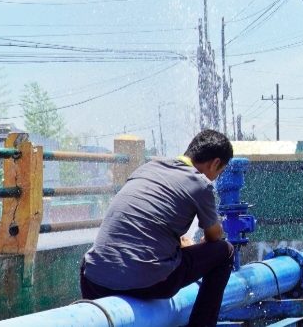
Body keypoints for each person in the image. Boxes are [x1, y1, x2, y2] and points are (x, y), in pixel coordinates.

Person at [81, 129, 234, 327]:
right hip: (149, 283)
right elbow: (214, 236)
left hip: (95, 281)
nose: (215, 178)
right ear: (214, 164)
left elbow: (146, 223)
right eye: (219, 172)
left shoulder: (147, 168)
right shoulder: (200, 183)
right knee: (225, 252)